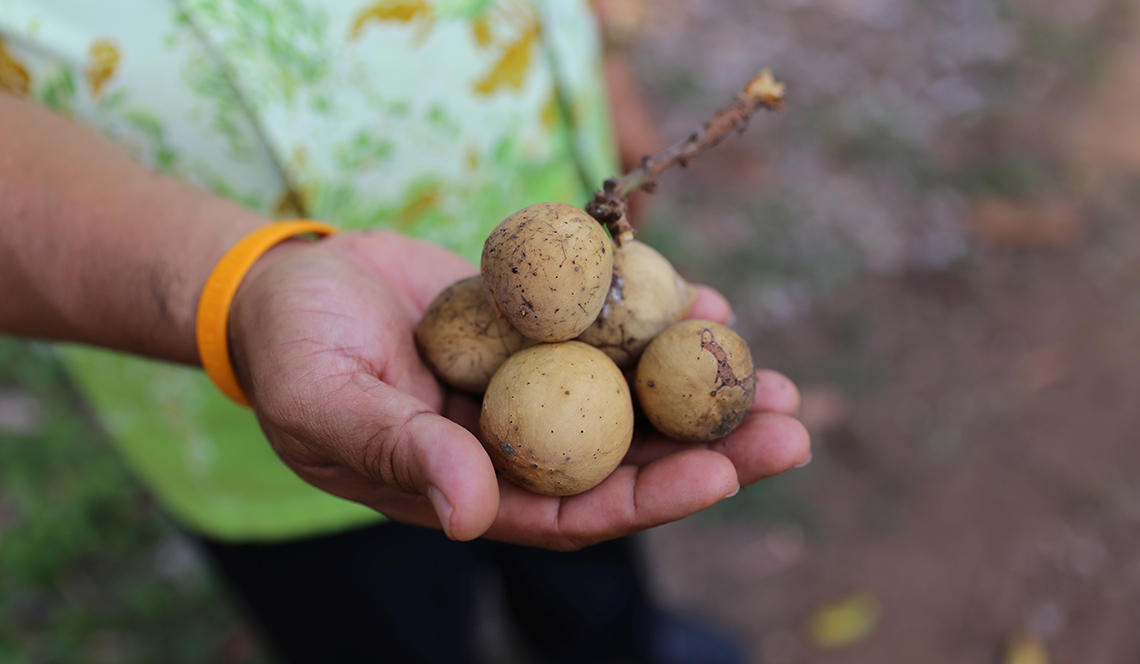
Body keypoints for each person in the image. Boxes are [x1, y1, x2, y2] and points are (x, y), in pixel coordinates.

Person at [0, 2, 810, 662]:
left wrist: (609, 46)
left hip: (527, 190)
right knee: (374, 624)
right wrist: (242, 286)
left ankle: (612, 643)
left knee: (589, 578)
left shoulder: (586, 293)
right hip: (237, 390)